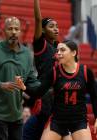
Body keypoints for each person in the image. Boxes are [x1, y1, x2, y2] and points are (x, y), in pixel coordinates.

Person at [0, 16, 40, 140]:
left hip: (16, 114)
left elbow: (31, 79)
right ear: (3, 31)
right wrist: (1, 85)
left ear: (20, 32)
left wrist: (43, 88)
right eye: (10, 29)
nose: (13, 32)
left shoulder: (27, 54)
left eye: (16, 29)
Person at [35, 40, 97, 140]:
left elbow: (94, 97)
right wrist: (24, 87)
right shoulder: (54, 71)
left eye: (62, 50)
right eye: (57, 51)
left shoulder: (86, 72)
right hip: (58, 121)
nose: (59, 53)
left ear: (74, 53)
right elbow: (38, 92)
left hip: (79, 121)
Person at [23, 0, 63, 139]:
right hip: (45, 92)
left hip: (58, 93)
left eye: (57, 26)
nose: (56, 29)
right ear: (43, 30)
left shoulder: (59, 47)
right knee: (39, 127)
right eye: (51, 26)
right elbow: (38, 19)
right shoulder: (41, 44)